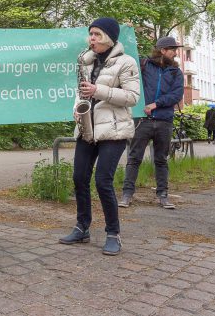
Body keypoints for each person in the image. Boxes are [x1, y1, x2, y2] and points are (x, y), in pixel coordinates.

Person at [59, 17, 140, 256]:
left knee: (103, 181)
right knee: (79, 178)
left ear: (108, 37)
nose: (91, 39)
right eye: (90, 34)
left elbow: (133, 97)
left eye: (96, 34)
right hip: (88, 128)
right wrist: (77, 107)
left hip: (113, 131)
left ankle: (113, 233)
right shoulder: (87, 62)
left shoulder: (126, 62)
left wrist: (99, 91)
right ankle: (82, 227)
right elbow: (81, 92)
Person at [118, 36, 184, 210]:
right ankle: (127, 194)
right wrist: (126, 33)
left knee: (161, 159)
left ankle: (163, 195)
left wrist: (156, 104)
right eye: (173, 49)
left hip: (164, 121)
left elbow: (176, 95)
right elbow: (126, 55)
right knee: (134, 158)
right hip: (142, 121)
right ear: (163, 50)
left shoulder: (176, 72)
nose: (175, 53)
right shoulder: (144, 65)